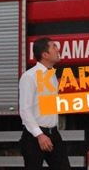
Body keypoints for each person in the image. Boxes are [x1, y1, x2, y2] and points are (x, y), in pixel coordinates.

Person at [19, 37, 70, 170]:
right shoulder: (30, 77)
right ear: (45, 55)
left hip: (53, 134)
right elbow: (25, 110)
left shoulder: (51, 75)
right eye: (54, 47)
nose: (58, 50)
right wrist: (40, 135)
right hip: (34, 137)